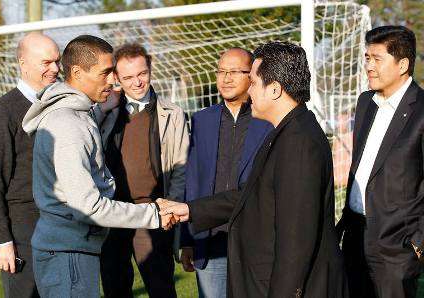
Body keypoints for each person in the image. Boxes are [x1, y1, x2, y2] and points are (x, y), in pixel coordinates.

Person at [159, 41, 348, 298]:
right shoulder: (286, 131)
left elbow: (296, 241)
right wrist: (190, 209)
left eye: (254, 84)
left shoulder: (299, 143)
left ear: (274, 89)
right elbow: (251, 194)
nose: (251, 92)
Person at [21, 35, 174, 298]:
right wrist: (154, 215)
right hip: (68, 256)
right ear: (78, 72)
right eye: (105, 73)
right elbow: (88, 207)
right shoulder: (68, 125)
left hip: (73, 250)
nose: (112, 80)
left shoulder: (80, 115)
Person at [336, 25, 424, 298]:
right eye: (366, 58)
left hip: (398, 248)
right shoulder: (365, 103)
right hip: (354, 238)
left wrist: (418, 242)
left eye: (377, 58)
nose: (369, 66)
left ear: (403, 64)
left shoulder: (421, 110)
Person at [179, 47, 272, 297]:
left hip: (256, 241)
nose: (226, 78)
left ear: (252, 75)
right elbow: (193, 181)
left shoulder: (268, 118)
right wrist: (187, 240)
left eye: (234, 71)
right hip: (211, 241)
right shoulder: (202, 120)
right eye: (221, 71)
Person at [98, 43, 189, 298]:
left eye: (142, 74)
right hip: (112, 212)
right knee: (115, 288)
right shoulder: (104, 111)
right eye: (127, 77)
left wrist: (170, 208)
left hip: (154, 213)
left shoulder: (173, 114)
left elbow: (180, 167)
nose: (137, 82)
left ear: (150, 69)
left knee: (161, 288)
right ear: (116, 78)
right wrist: (102, 110)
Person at [0, 32, 60, 298]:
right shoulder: (4, 112)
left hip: (61, 225)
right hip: (24, 232)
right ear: (23, 63)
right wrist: (2, 240)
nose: (55, 68)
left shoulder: (60, 105)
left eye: (57, 61)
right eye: (46, 63)